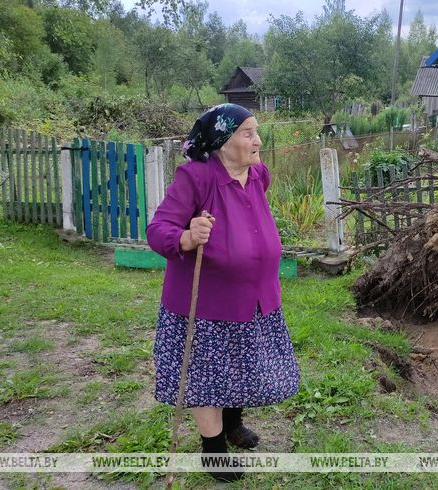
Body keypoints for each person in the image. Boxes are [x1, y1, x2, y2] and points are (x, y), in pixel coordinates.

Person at [146, 103, 300, 482]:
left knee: (239, 369)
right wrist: (184, 236)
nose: (257, 140)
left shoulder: (257, 174)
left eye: (256, 131)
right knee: (206, 377)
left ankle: (232, 424)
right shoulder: (196, 178)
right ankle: (213, 451)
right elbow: (157, 229)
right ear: (221, 140)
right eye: (248, 133)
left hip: (256, 299)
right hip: (206, 307)